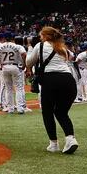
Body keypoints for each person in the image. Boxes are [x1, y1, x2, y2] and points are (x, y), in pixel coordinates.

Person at [26, 26, 79, 154]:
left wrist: (29, 48)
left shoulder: (40, 45)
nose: (40, 38)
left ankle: (53, 144)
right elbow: (71, 57)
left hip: (50, 80)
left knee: (47, 112)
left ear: (45, 36)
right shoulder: (63, 48)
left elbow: (28, 62)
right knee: (61, 112)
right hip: (68, 81)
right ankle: (70, 139)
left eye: (41, 36)